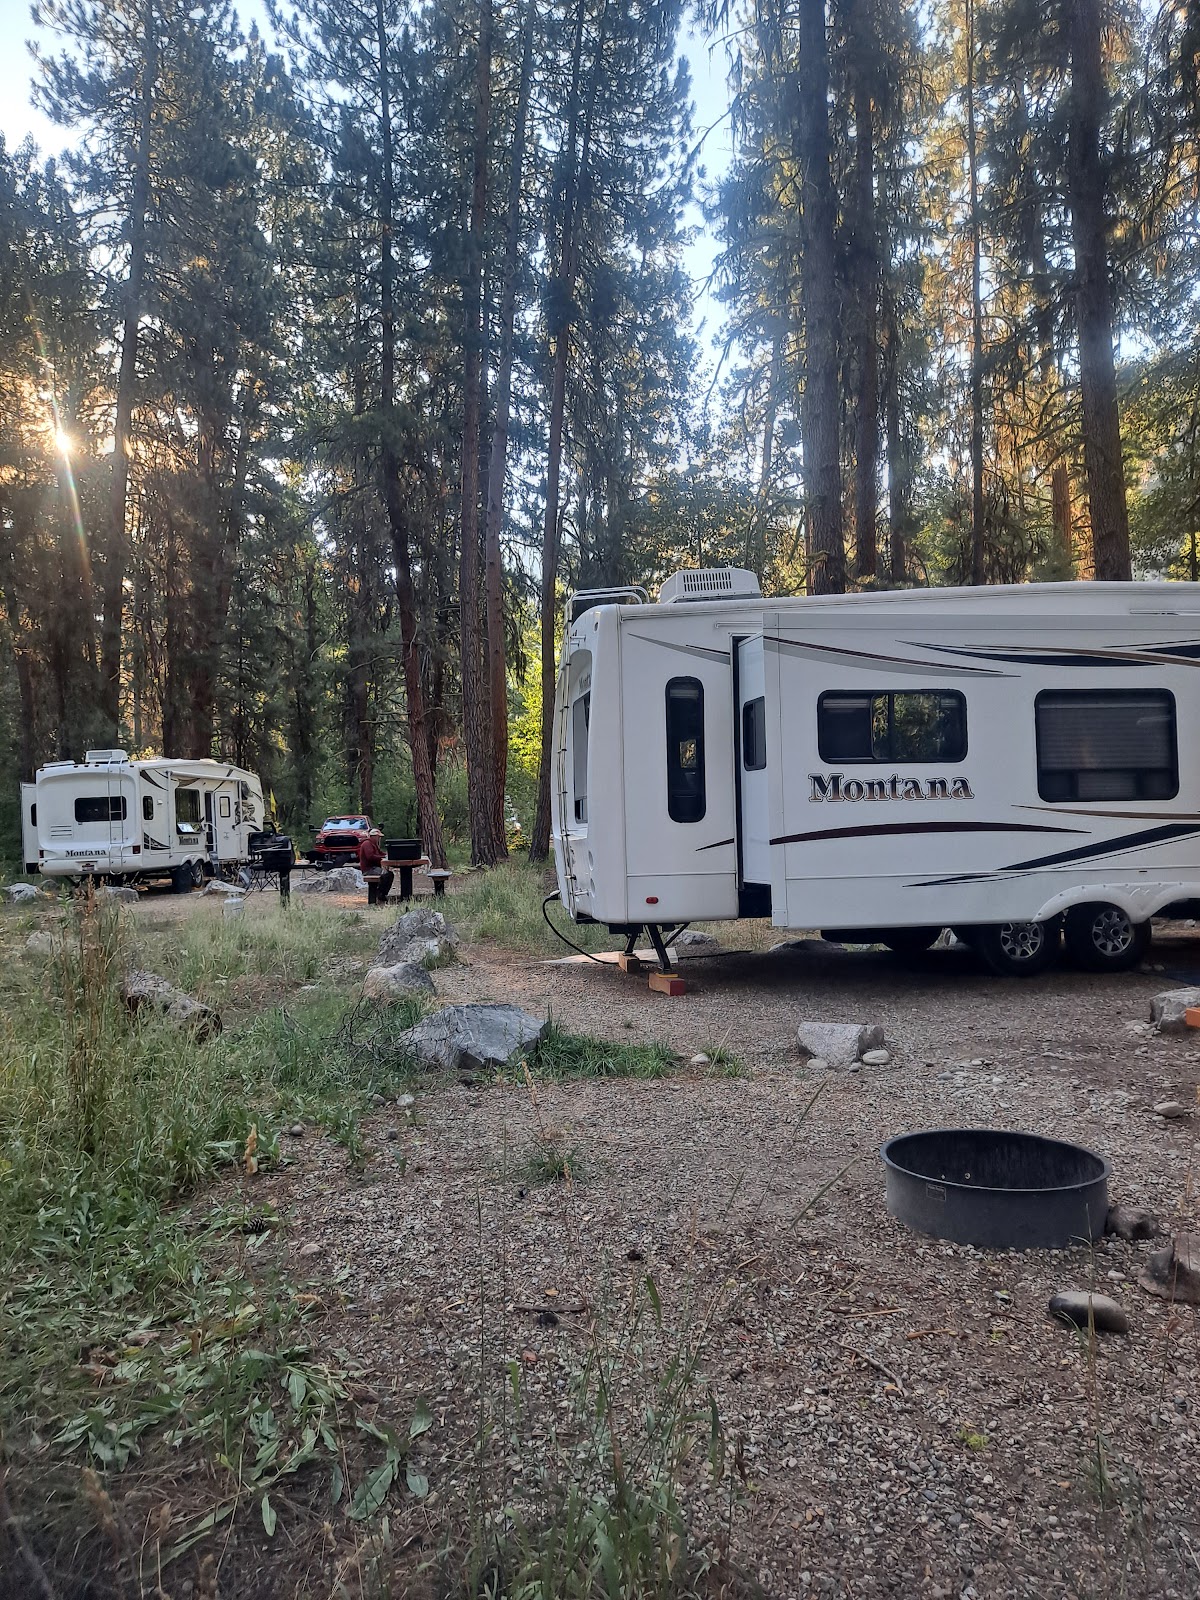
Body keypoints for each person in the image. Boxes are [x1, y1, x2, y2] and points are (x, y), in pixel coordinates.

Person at [358, 828, 394, 905]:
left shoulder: (373, 844)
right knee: (387, 875)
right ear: (374, 836)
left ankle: (382, 893)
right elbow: (370, 857)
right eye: (378, 837)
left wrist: (386, 855)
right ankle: (380, 894)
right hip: (369, 869)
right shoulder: (367, 844)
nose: (379, 838)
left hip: (374, 868)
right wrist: (382, 858)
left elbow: (380, 853)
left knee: (389, 874)